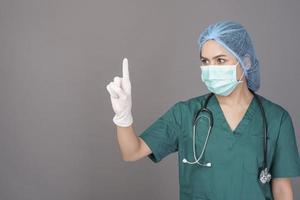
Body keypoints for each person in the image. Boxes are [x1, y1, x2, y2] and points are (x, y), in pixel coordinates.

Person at [106, 20, 300, 200]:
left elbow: (282, 189)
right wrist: (123, 117)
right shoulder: (185, 113)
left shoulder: (276, 119)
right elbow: (132, 152)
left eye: (220, 60)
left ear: (246, 62)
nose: (211, 68)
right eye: (205, 61)